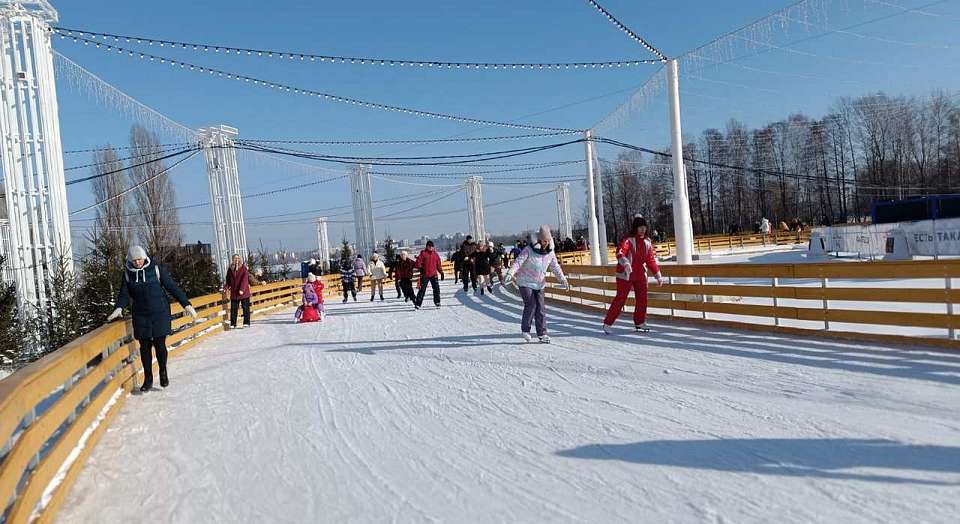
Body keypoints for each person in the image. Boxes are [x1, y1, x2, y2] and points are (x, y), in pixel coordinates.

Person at [106, 245, 198, 392]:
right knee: (145, 347)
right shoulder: (128, 274)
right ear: (130, 261)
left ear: (144, 257)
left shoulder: (156, 269)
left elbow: (172, 287)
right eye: (134, 260)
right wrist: (119, 308)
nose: (137, 262)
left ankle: (163, 371)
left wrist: (186, 305)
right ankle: (148, 379)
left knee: (160, 345)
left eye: (139, 259)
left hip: (159, 312)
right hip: (140, 315)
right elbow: (124, 294)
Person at [506, 225, 568, 344]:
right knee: (531, 304)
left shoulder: (550, 252)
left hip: (539, 283)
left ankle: (542, 333)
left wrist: (562, 279)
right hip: (525, 281)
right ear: (538, 239)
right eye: (543, 240)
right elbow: (518, 262)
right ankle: (526, 330)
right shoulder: (528, 250)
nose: (545, 243)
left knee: (541, 308)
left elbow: (555, 266)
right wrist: (511, 272)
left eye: (547, 240)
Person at [602, 215, 663, 334]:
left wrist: (657, 275)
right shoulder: (628, 240)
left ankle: (640, 322)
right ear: (635, 228)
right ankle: (608, 323)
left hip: (640, 274)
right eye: (640, 227)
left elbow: (650, 260)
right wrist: (625, 263)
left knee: (642, 299)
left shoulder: (647, 242)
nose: (642, 229)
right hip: (626, 274)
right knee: (620, 298)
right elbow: (620, 252)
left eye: (644, 227)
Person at [223, 253, 258, 329]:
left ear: (240, 259)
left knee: (245, 308)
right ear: (232, 260)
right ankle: (233, 324)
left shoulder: (243, 268)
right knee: (233, 309)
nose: (236, 260)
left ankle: (246, 322)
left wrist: (242, 289)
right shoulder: (230, 269)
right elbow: (228, 281)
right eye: (235, 258)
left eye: (238, 258)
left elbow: (245, 280)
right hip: (234, 293)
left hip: (243, 292)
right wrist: (225, 288)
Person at [414, 240, 445, 309]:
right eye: (429, 246)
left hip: (434, 274)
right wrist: (420, 267)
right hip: (425, 275)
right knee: (422, 290)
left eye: (432, 246)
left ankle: (437, 302)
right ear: (427, 246)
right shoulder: (423, 253)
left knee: (436, 288)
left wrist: (441, 273)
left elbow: (438, 265)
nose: (431, 248)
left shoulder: (435, 254)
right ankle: (418, 304)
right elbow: (417, 262)